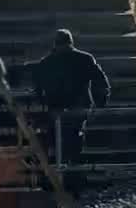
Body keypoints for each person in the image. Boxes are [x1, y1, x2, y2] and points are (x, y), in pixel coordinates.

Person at [30, 29, 110, 173]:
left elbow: (37, 89)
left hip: (57, 107)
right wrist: (100, 103)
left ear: (55, 44)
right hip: (79, 106)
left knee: (58, 137)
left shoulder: (46, 62)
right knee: (74, 136)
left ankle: (61, 170)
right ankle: (72, 167)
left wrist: (42, 104)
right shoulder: (85, 58)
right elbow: (101, 82)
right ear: (71, 43)